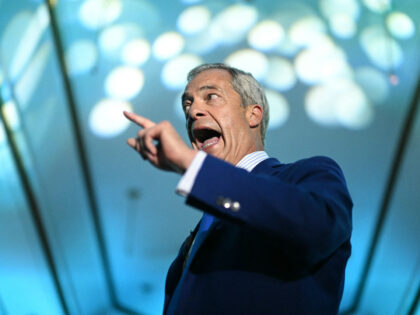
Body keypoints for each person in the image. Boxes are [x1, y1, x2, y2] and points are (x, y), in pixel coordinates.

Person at [124, 63, 353, 315]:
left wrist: (192, 166)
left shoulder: (308, 174)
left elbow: (317, 226)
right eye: (187, 105)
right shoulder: (191, 246)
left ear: (253, 114)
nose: (193, 112)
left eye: (211, 97)